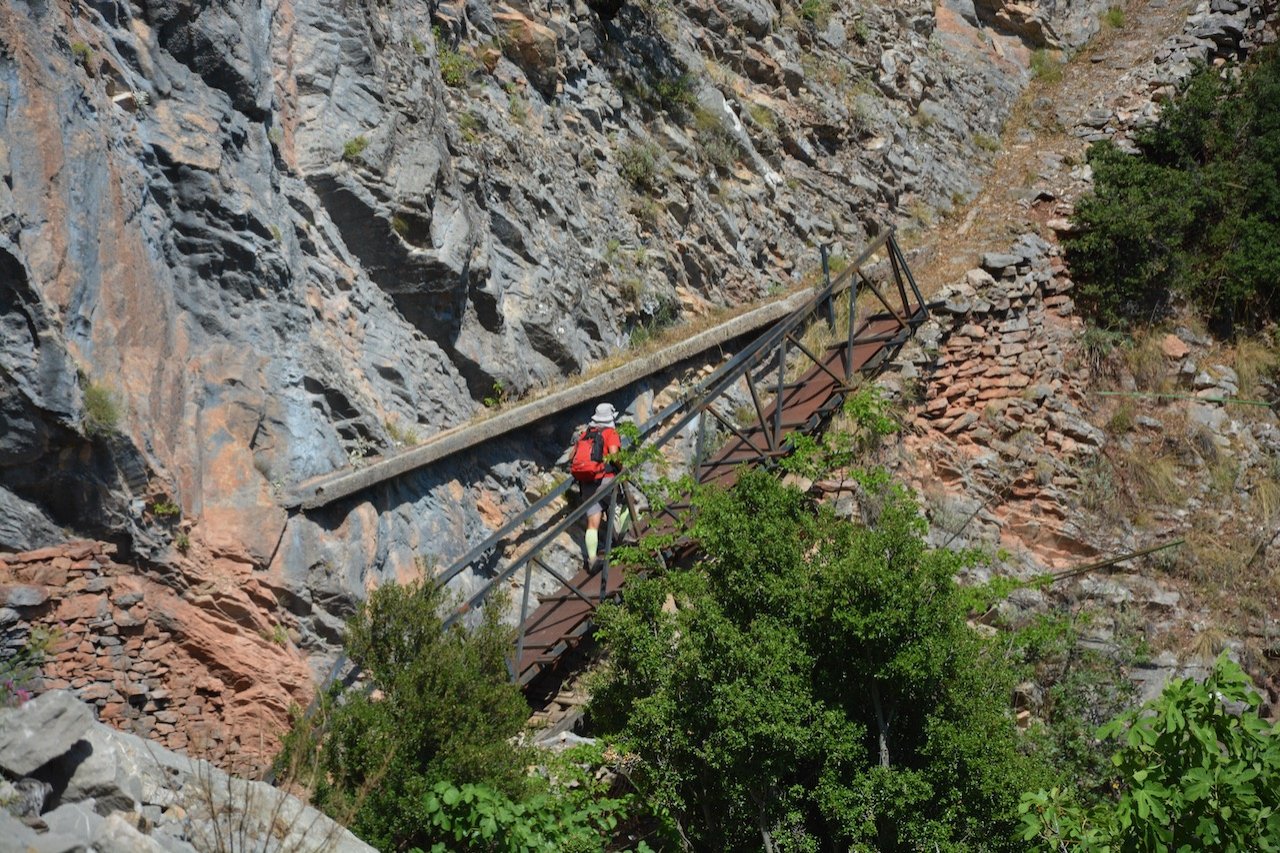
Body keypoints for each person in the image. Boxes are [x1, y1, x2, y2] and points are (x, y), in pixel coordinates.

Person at [570, 402, 628, 570]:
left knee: (593, 521)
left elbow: (572, 456)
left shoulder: (586, 434)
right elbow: (614, 454)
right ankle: (626, 539)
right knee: (620, 505)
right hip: (606, 479)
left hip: (587, 482)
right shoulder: (610, 432)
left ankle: (592, 559)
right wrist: (621, 467)